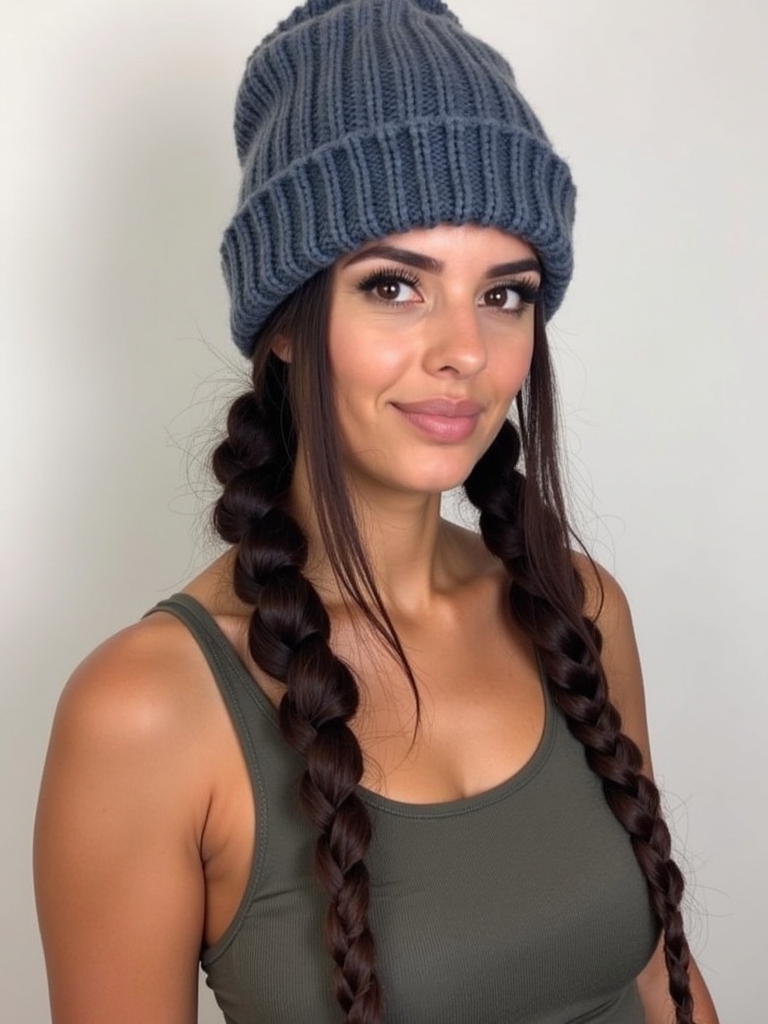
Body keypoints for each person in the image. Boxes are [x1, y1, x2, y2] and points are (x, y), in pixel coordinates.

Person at [33, 1, 721, 1022]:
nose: (464, 351)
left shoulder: (578, 610)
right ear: (284, 326)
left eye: (505, 293)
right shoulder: (146, 713)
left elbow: (666, 981)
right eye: (395, 285)